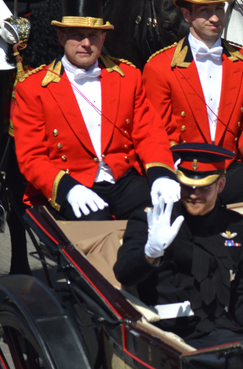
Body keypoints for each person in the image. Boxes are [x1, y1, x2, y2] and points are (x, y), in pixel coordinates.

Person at [12, 0, 179, 221]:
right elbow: (31, 157)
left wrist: (161, 174)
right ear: (61, 37)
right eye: (77, 35)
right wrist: (68, 189)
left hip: (124, 180)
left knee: (168, 210)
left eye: (93, 35)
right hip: (74, 182)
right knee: (96, 223)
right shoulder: (32, 88)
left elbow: (149, 133)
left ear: (103, 38)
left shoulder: (128, 77)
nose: (86, 43)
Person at [114, 143, 243, 349]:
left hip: (225, 329)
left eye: (204, 187)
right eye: (187, 185)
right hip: (174, 334)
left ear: (221, 185)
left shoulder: (239, 226)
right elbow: (123, 273)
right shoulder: (154, 220)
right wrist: (150, 253)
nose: (194, 194)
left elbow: (242, 297)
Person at [142, 0, 243, 205]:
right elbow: (158, 132)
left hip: (229, 168)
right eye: (205, 11)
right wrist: (170, 172)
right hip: (184, 169)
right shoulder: (159, 67)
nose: (215, 18)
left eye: (219, 9)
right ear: (187, 15)